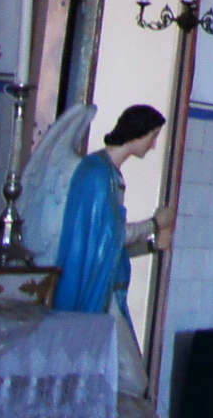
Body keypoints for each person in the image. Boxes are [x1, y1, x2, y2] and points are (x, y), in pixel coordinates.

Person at [52, 104, 165, 315]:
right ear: (138, 133)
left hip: (108, 287)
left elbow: (111, 245)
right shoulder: (97, 173)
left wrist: (150, 246)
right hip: (90, 289)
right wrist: (155, 223)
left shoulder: (111, 175)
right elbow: (113, 236)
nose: (153, 145)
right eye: (153, 136)